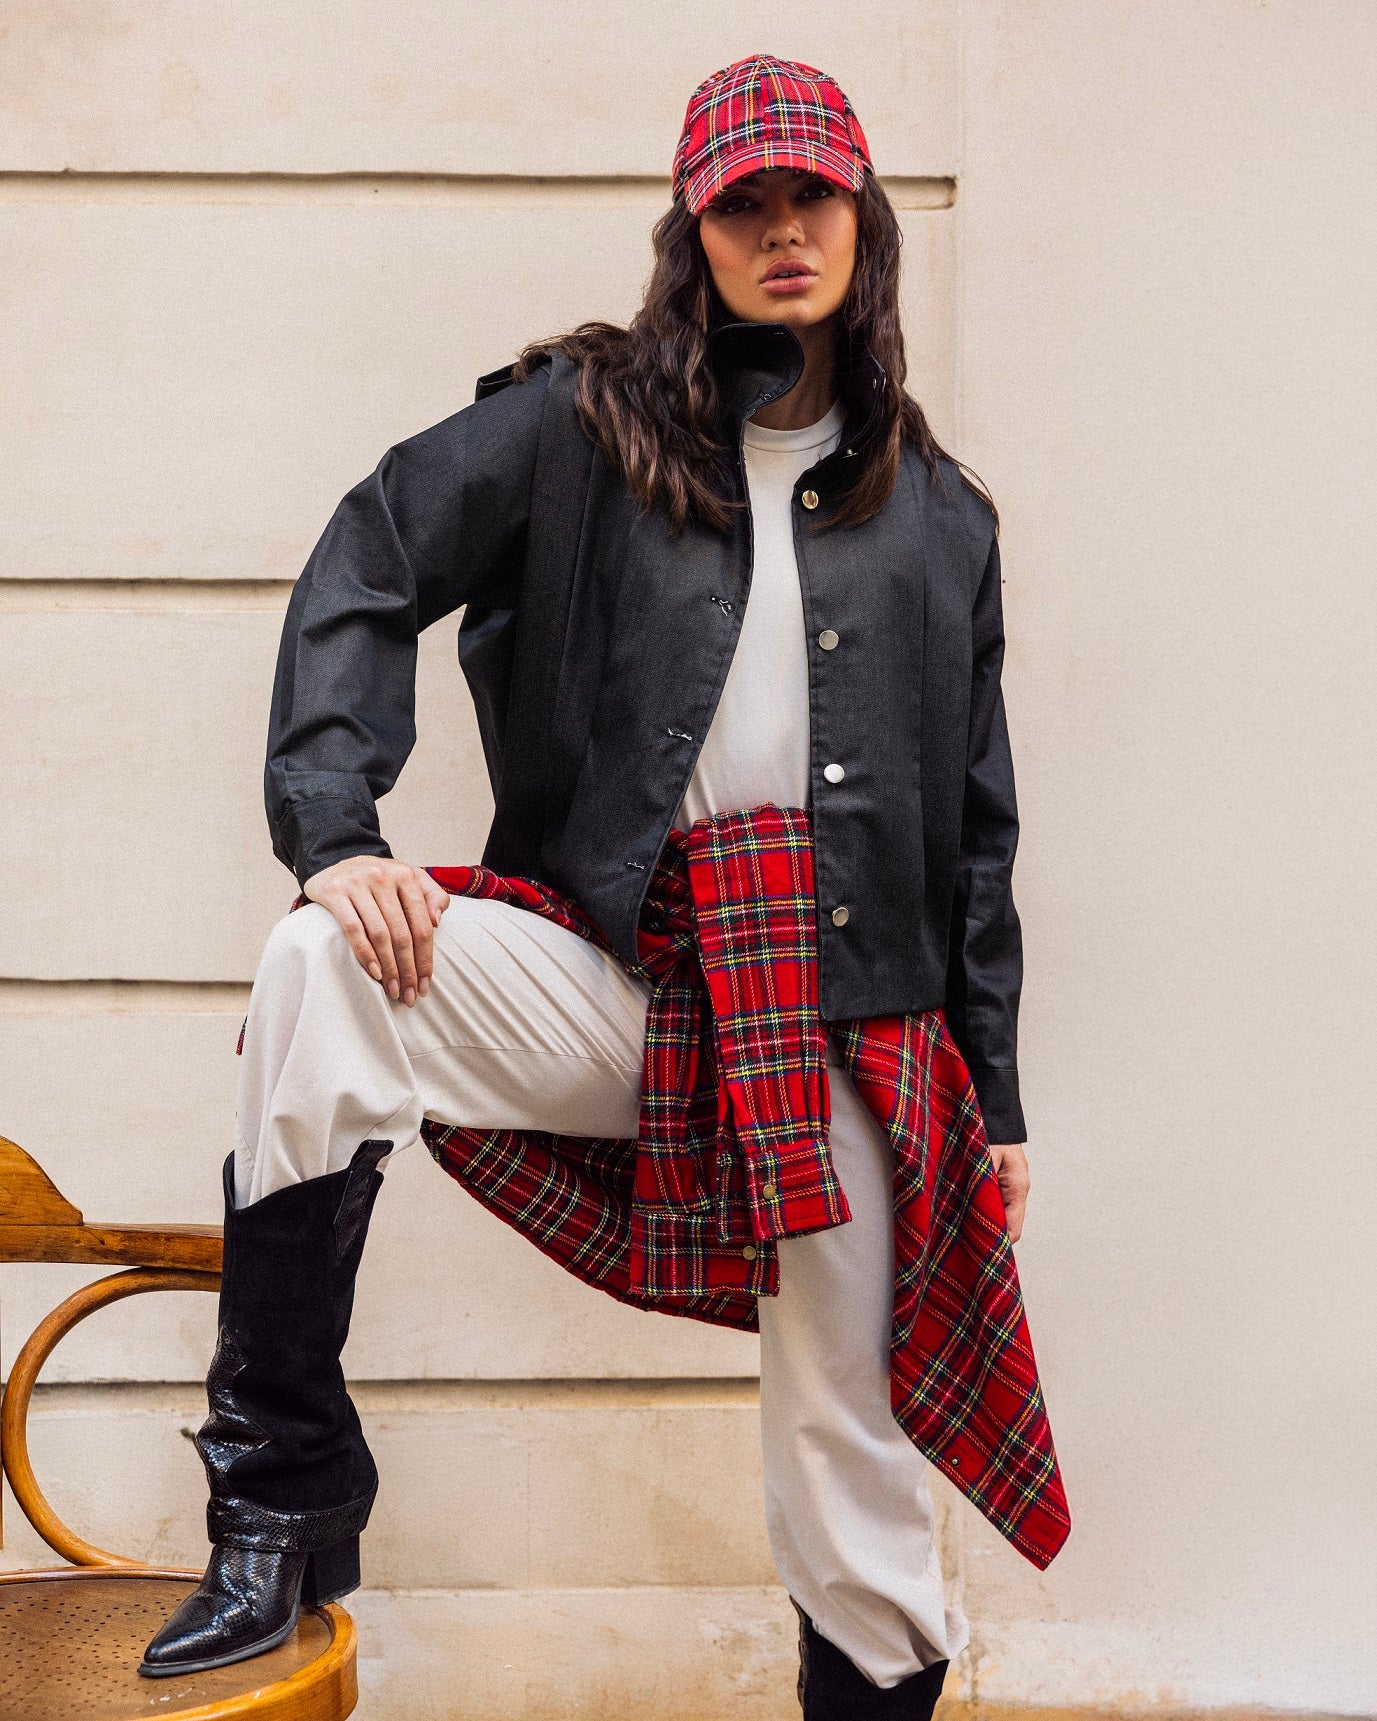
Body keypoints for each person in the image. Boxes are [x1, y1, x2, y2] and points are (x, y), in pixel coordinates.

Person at [140, 54, 1068, 1718]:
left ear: (859, 217)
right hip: (624, 981)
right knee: (317, 967)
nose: (783, 228)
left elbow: (977, 829)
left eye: (811, 195)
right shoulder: (582, 427)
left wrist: (989, 1092)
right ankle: (279, 1500)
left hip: (843, 1020)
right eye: (744, 202)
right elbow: (371, 551)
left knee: (841, 1440)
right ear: (693, 230)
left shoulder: (939, 517)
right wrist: (337, 832)